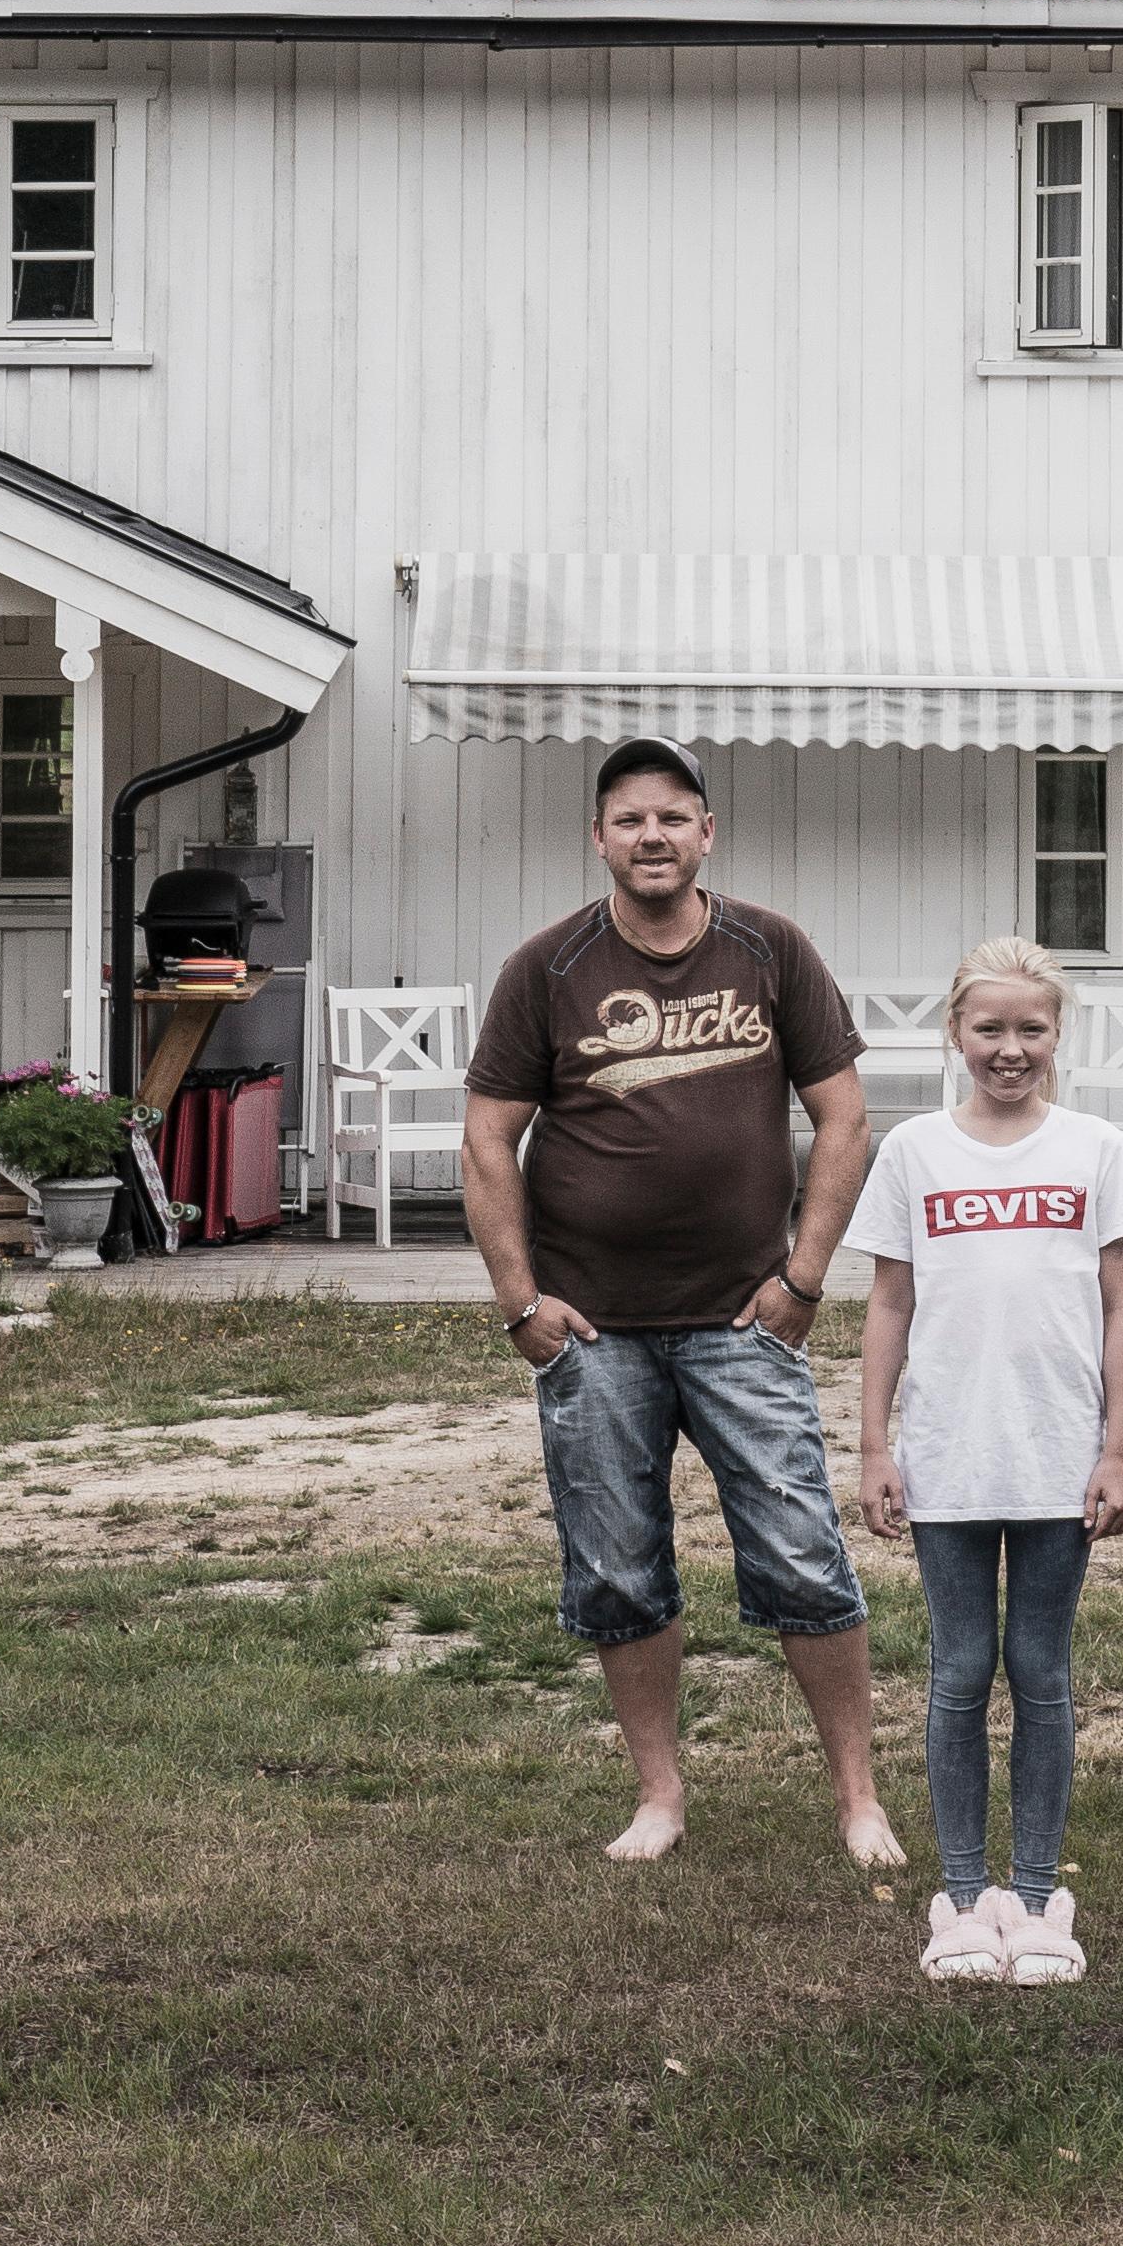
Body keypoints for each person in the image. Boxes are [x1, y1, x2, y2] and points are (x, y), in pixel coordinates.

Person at [461, 736, 899, 1867]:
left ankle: (859, 1798)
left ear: (707, 833)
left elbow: (844, 1118)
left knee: (802, 1548)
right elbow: (488, 1136)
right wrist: (522, 1306)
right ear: (598, 838)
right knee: (616, 1563)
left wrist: (802, 1278)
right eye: (628, 819)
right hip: (593, 1328)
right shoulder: (547, 969)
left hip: (741, 1320)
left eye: (672, 817)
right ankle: (660, 1795)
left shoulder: (770, 950)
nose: (651, 836)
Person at [849, 938, 1123, 1987]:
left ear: (1058, 1033)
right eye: (990, 1028)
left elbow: (1117, 1304)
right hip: (950, 1459)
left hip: (1058, 1456)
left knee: (1042, 1670)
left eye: (1032, 1028)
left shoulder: (1095, 1149)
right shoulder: (916, 1153)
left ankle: (1035, 1894)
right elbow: (890, 1301)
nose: (1010, 1048)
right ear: (956, 1033)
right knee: (960, 1671)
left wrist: (1116, 1449)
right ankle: (965, 1895)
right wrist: (876, 1443)